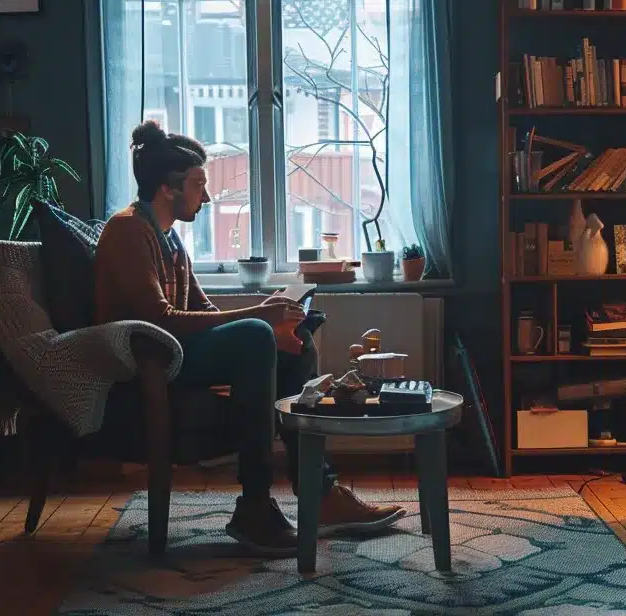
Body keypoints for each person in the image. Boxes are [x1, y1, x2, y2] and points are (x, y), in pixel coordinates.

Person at [94, 120, 405, 556]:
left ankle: (321, 493)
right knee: (259, 332)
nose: (207, 196)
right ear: (167, 188)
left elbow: (202, 313)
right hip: (150, 361)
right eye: (198, 184)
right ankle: (254, 506)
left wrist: (278, 321)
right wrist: (259, 315)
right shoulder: (128, 230)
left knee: (296, 339)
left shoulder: (169, 240)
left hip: (178, 353)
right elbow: (156, 317)